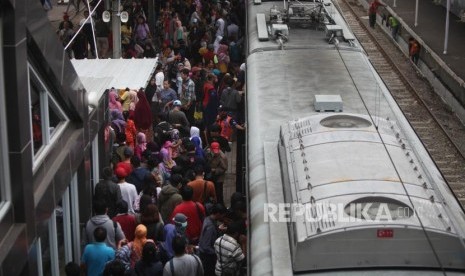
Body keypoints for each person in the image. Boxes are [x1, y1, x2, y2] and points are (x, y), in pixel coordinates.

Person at [199, 204, 226, 276]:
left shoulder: (207, 219)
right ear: (218, 214)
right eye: (222, 215)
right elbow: (206, 246)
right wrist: (217, 253)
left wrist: (218, 229)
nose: (223, 217)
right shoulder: (210, 227)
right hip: (207, 258)